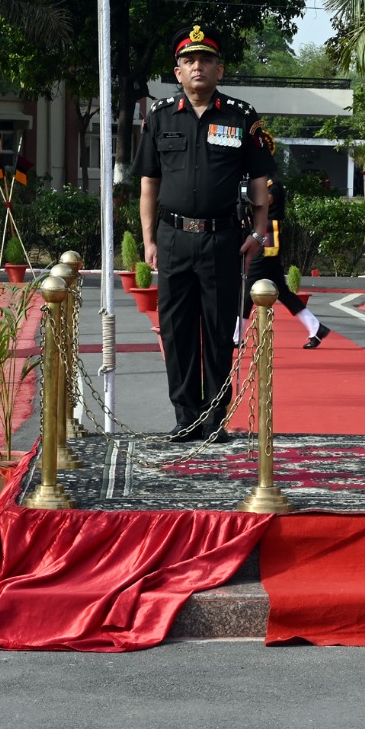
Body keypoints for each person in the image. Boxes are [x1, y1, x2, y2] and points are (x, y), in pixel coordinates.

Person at [137, 24, 273, 442]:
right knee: (176, 332)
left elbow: (260, 178)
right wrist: (148, 240)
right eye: (189, 61)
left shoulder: (241, 116)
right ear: (177, 72)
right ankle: (185, 416)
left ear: (220, 69)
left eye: (206, 60)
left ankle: (215, 418)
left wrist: (261, 231)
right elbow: (148, 183)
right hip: (174, 237)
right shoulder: (159, 117)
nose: (198, 66)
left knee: (217, 332)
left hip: (222, 239)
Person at [238, 175, 331, 347]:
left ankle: (236, 335)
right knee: (282, 291)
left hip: (267, 238)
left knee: (248, 286)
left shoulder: (272, 184)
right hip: (261, 235)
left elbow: (265, 200)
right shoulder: (253, 182)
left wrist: (246, 195)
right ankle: (316, 327)